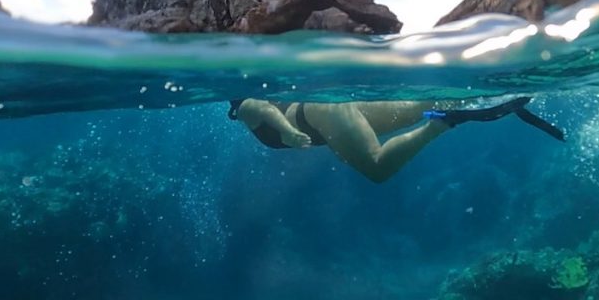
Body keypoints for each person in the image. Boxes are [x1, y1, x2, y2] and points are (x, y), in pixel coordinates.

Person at [229, 96, 564, 183]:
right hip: (333, 107)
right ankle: (494, 92)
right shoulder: (272, 89)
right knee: (418, 106)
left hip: (320, 114)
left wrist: (287, 131)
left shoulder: (241, 104)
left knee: (378, 167)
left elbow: (255, 107)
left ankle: (444, 124)